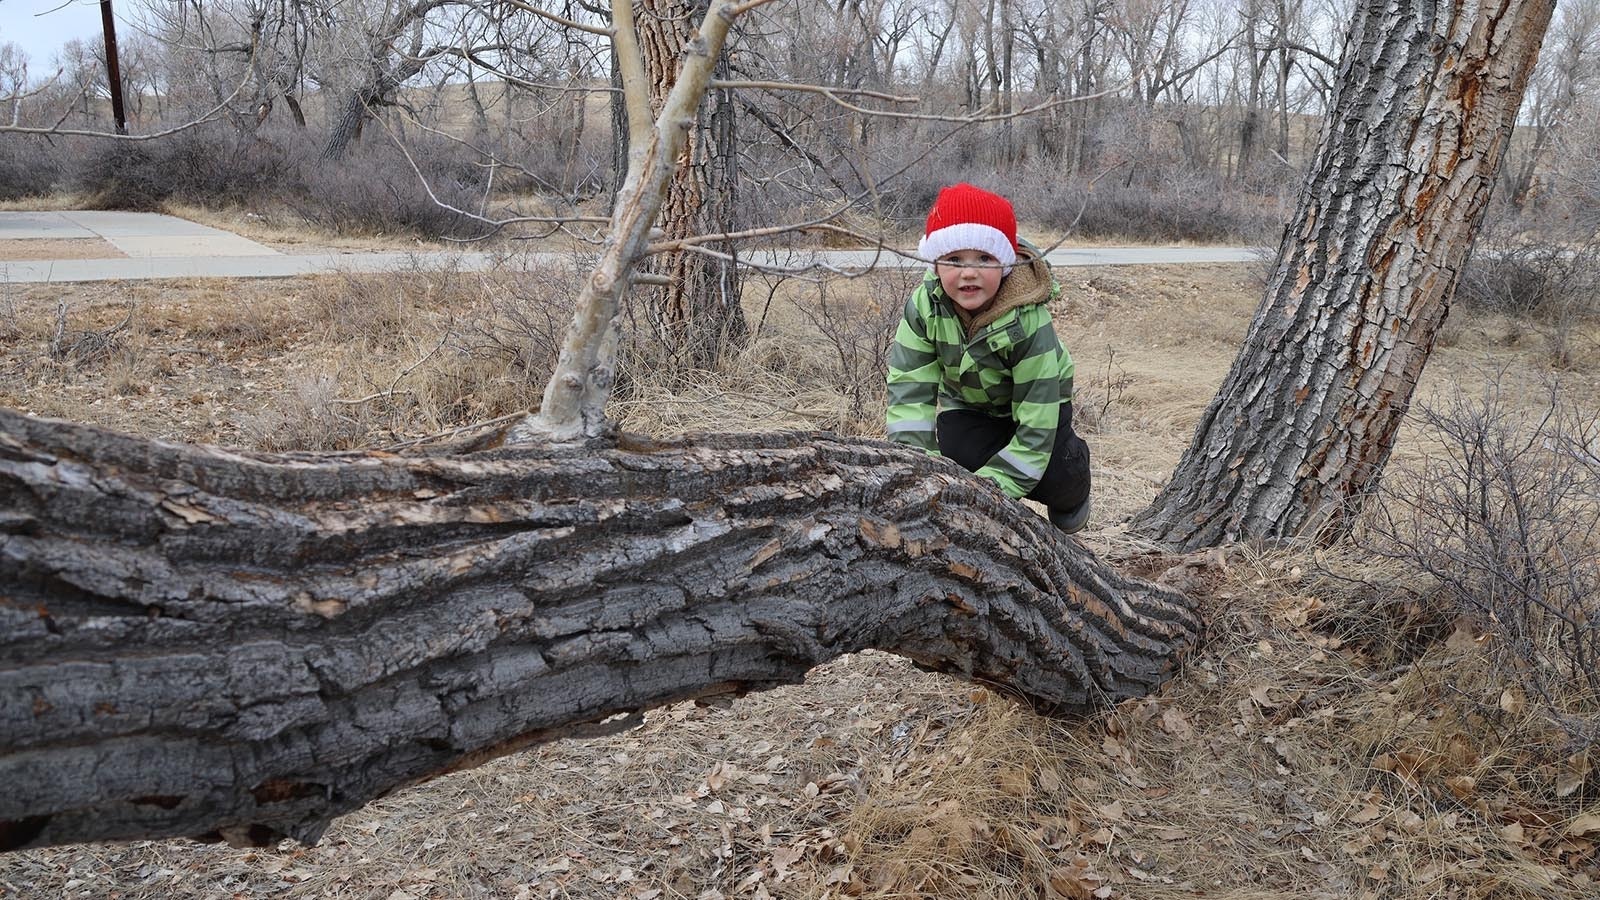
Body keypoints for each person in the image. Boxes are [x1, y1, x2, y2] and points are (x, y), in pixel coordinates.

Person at [885, 183, 1092, 533]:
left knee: (1056, 473)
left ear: (1005, 264)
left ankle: (1074, 486)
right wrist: (916, 474)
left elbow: (1036, 422)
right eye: (954, 259)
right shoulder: (924, 306)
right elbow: (910, 389)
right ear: (935, 263)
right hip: (972, 404)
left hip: (1041, 405)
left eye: (984, 258)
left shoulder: (1028, 320)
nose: (969, 272)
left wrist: (992, 493)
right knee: (954, 449)